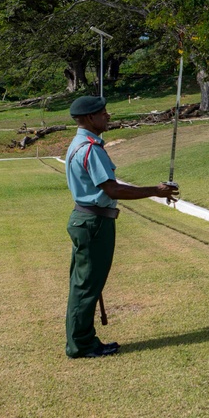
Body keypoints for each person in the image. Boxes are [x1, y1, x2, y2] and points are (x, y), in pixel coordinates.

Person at [64, 95, 179, 358]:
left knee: (83, 284)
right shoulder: (90, 149)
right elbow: (112, 188)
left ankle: (82, 340)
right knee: (86, 286)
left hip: (86, 219)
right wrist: (155, 191)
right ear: (90, 118)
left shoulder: (79, 144)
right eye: (103, 112)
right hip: (94, 223)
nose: (108, 116)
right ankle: (81, 345)